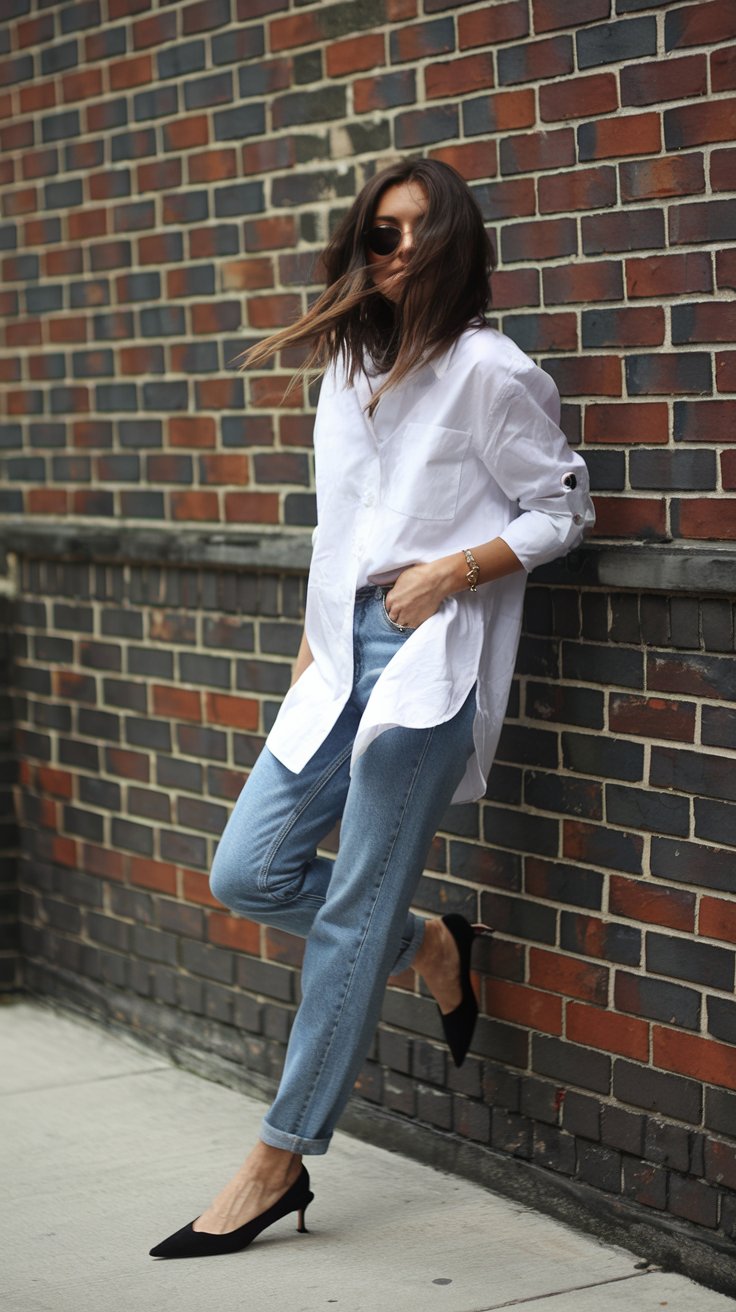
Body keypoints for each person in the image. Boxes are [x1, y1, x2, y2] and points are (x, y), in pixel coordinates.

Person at [150, 157, 595, 1259]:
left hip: (429, 653)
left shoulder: (491, 371)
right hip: (338, 648)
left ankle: (278, 1157)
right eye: (376, 235)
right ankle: (432, 939)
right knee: (247, 871)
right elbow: (334, 526)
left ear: (455, 246)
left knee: (347, 912)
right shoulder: (347, 370)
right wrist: (312, 642)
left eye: (413, 235)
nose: (392, 254)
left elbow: (563, 505)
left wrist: (455, 570)